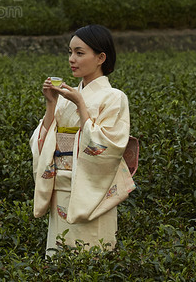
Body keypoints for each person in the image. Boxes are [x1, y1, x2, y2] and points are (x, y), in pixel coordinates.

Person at [29, 24, 135, 255]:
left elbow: (109, 145)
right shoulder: (66, 98)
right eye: (70, 52)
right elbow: (44, 140)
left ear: (101, 57)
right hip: (62, 186)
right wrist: (51, 103)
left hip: (91, 188)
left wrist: (80, 104)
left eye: (79, 52)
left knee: (90, 257)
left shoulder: (114, 97)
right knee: (60, 257)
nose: (72, 59)